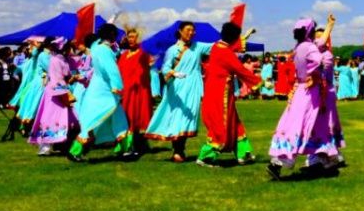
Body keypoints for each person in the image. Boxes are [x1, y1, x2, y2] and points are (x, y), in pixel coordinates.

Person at [267, 16, 339, 178]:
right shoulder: (311, 48)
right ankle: (283, 160)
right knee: (304, 124)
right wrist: (315, 75)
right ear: (311, 32)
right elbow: (320, 60)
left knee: (303, 123)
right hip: (311, 91)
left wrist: (329, 26)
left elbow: (319, 45)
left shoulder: (300, 46)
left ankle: (321, 158)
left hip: (300, 89)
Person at [197, 22, 261, 167]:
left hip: (216, 90)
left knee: (234, 122)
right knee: (222, 124)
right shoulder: (225, 52)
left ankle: (243, 154)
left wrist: (248, 33)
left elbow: (236, 47)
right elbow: (240, 69)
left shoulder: (217, 47)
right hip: (221, 93)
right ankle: (206, 157)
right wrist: (259, 82)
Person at [145, 22, 210, 163]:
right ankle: (178, 150)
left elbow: (216, 48)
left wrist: (235, 40)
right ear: (180, 31)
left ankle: (180, 149)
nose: (191, 33)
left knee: (187, 118)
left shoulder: (198, 47)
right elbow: (166, 68)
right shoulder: (172, 50)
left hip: (192, 87)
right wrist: (173, 73)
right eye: (188, 30)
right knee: (177, 118)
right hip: (177, 89)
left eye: (193, 30)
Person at [68, 24, 132, 162]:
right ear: (112, 35)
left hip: (98, 88)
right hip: (105, 90)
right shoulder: (105, 50)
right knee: (94, 120)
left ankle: (125, 149)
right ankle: (76, 151)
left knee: (117, 117)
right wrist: (117, 86)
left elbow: (97, 42)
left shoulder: (96, 48)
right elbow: (111, 69)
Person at [28, 38, 78, 156]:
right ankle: (45, 147)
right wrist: (64, 95)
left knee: (63, 119)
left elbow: (66, 77)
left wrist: (73, 79)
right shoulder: (55, 60)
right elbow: (57, 79)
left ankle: (62, 145)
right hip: (55, 94)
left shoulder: (62, 60)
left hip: (61, 91)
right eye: (67, 47)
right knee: (50, 118)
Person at [117, 28, 153, 155]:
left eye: (134, 37)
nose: (131, 39)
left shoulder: (143, 54)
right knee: (124, 116)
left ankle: (133, 144)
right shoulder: (123, 55)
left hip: (137, 90)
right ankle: (129, 144)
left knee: (134, 115)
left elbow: (142, 73)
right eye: (129, 37)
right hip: (124, 90)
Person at [313, 17, 345, 158]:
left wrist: (330, 26)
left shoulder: (326, 55)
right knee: (317, 123)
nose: (319, 39)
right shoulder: (316, 53)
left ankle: (332, 152)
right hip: (317, 92)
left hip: (327, 92)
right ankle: (320, 153)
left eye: (323, 35)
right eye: (317, 36)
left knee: (329, 122)